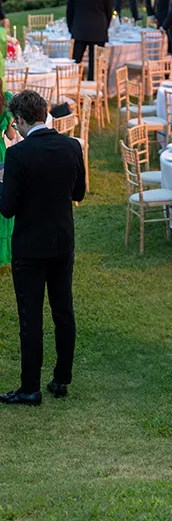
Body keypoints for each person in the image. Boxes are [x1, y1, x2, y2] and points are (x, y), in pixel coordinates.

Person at [0, 90, 86, 405]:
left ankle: (29, 387)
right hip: (62, 242)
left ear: (20, 120)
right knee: (63, 311)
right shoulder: (71, 146)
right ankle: (62, 378)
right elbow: (79, 193)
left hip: (29, 248)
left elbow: (7, 208)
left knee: (30, 317)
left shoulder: (18, 155)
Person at [66, 0, 113, 81]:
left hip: (79, 30)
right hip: (98, 31)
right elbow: (108, 12)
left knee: (76, 61)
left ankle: (73, 84)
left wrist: (72, 28)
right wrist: (104, 27)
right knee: (95, 64)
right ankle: (93, 88)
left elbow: (69, 11)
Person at [0, 77, 17, 268]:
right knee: (2, 197)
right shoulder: (5, 100)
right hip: (0, 154)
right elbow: (11, 136)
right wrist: (10, 125)